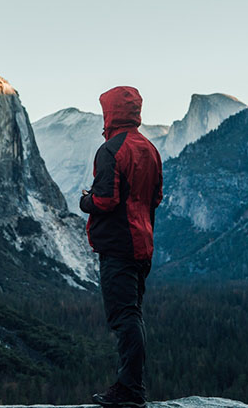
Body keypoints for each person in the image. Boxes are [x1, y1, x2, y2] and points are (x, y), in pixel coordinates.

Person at [80, 86, 162, 408]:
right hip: (143, 245)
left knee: (123, 318)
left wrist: (85, 201)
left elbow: (105, 199)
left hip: (118, 247)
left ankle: (130, 390)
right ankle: (131, 386)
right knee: (133, 314)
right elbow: (155, 197)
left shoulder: (111, 149)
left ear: (110, 112)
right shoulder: (150, 149)